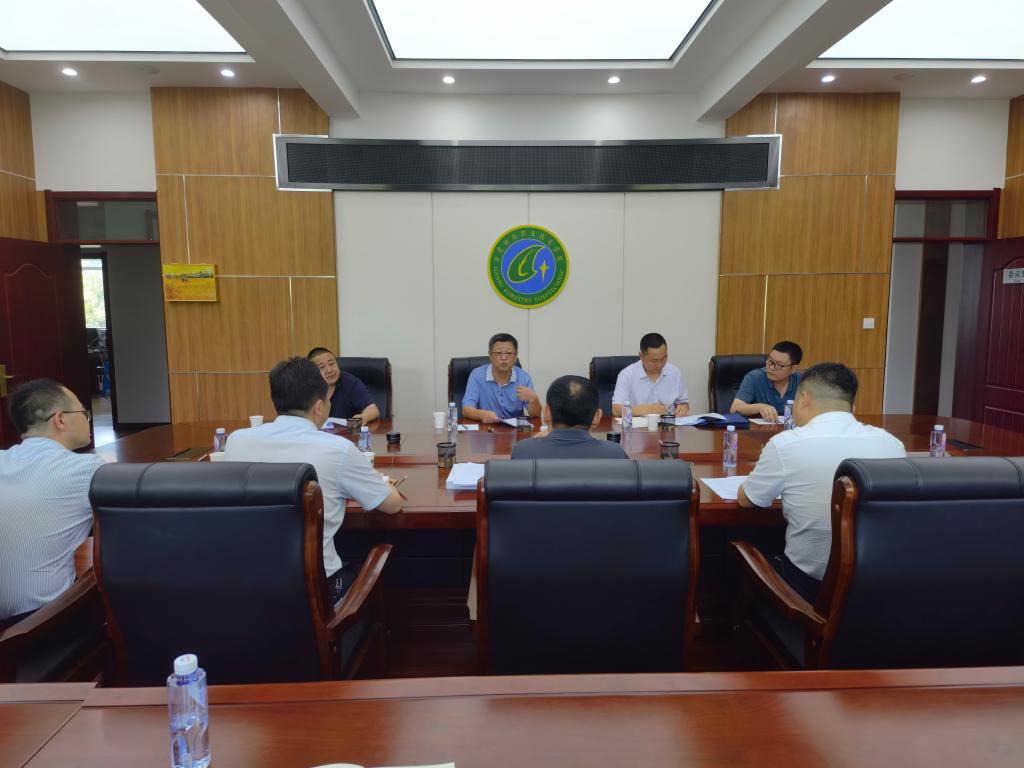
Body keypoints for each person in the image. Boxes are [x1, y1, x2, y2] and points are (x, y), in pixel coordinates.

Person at [225, 357, 402, 603]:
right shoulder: (337, 450)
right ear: (319, 407)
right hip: (314, 594)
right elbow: (392, 505)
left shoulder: (236, 441)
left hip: (244, 590)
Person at [737, 363, 905, 602]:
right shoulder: (892, 444)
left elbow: (747, 500)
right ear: (852, 406)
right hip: (877, 587)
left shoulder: (786, 444)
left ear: (804, 399)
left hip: (807, 590)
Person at [0, 379, 103, 624]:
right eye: (83, 412)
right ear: (60, 419)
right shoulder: (85, 469)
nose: (87, 419)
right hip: (40, 626)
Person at [512, 376, 628, 459]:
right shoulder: (615, 454)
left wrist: (534, 441)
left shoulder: (523, 451)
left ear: (547, 413)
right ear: (597, 417)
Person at [462, 333, 541, 423]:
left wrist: (534, 399)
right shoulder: (477, 375)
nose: (503, 357)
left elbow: (536, 415)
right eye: (499, 353)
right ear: (490, 355)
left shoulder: (524, 378)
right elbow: (466, 410)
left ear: (515, 356)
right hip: (487, 427)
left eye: (509, 353)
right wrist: (482, 414)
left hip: (514, 429)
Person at [612, 332, 689, 418]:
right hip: (638, 425)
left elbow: (683, 403)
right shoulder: (627, 375)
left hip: (667, 424)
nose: (659, 365)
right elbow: (616, 410)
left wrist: (683, 409)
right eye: (654, 361)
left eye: (663, 358)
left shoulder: (675, 372)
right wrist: (646, 409)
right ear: (641, 356)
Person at [731, 341, 803, 422]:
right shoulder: (754, 378)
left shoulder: (802, 382)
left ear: (793, 369)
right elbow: (734, 408)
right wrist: (760, 407)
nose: (771, 368)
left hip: (792, 429)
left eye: (779, 365)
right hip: (759, 429)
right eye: (770, 361)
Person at [307, 346, 380, 423]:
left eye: (331, 364)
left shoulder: (350, 383)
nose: (329, 370)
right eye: (322, 367)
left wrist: (362, 417)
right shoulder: (307, 387)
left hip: (347, 429)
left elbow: (373, 410)